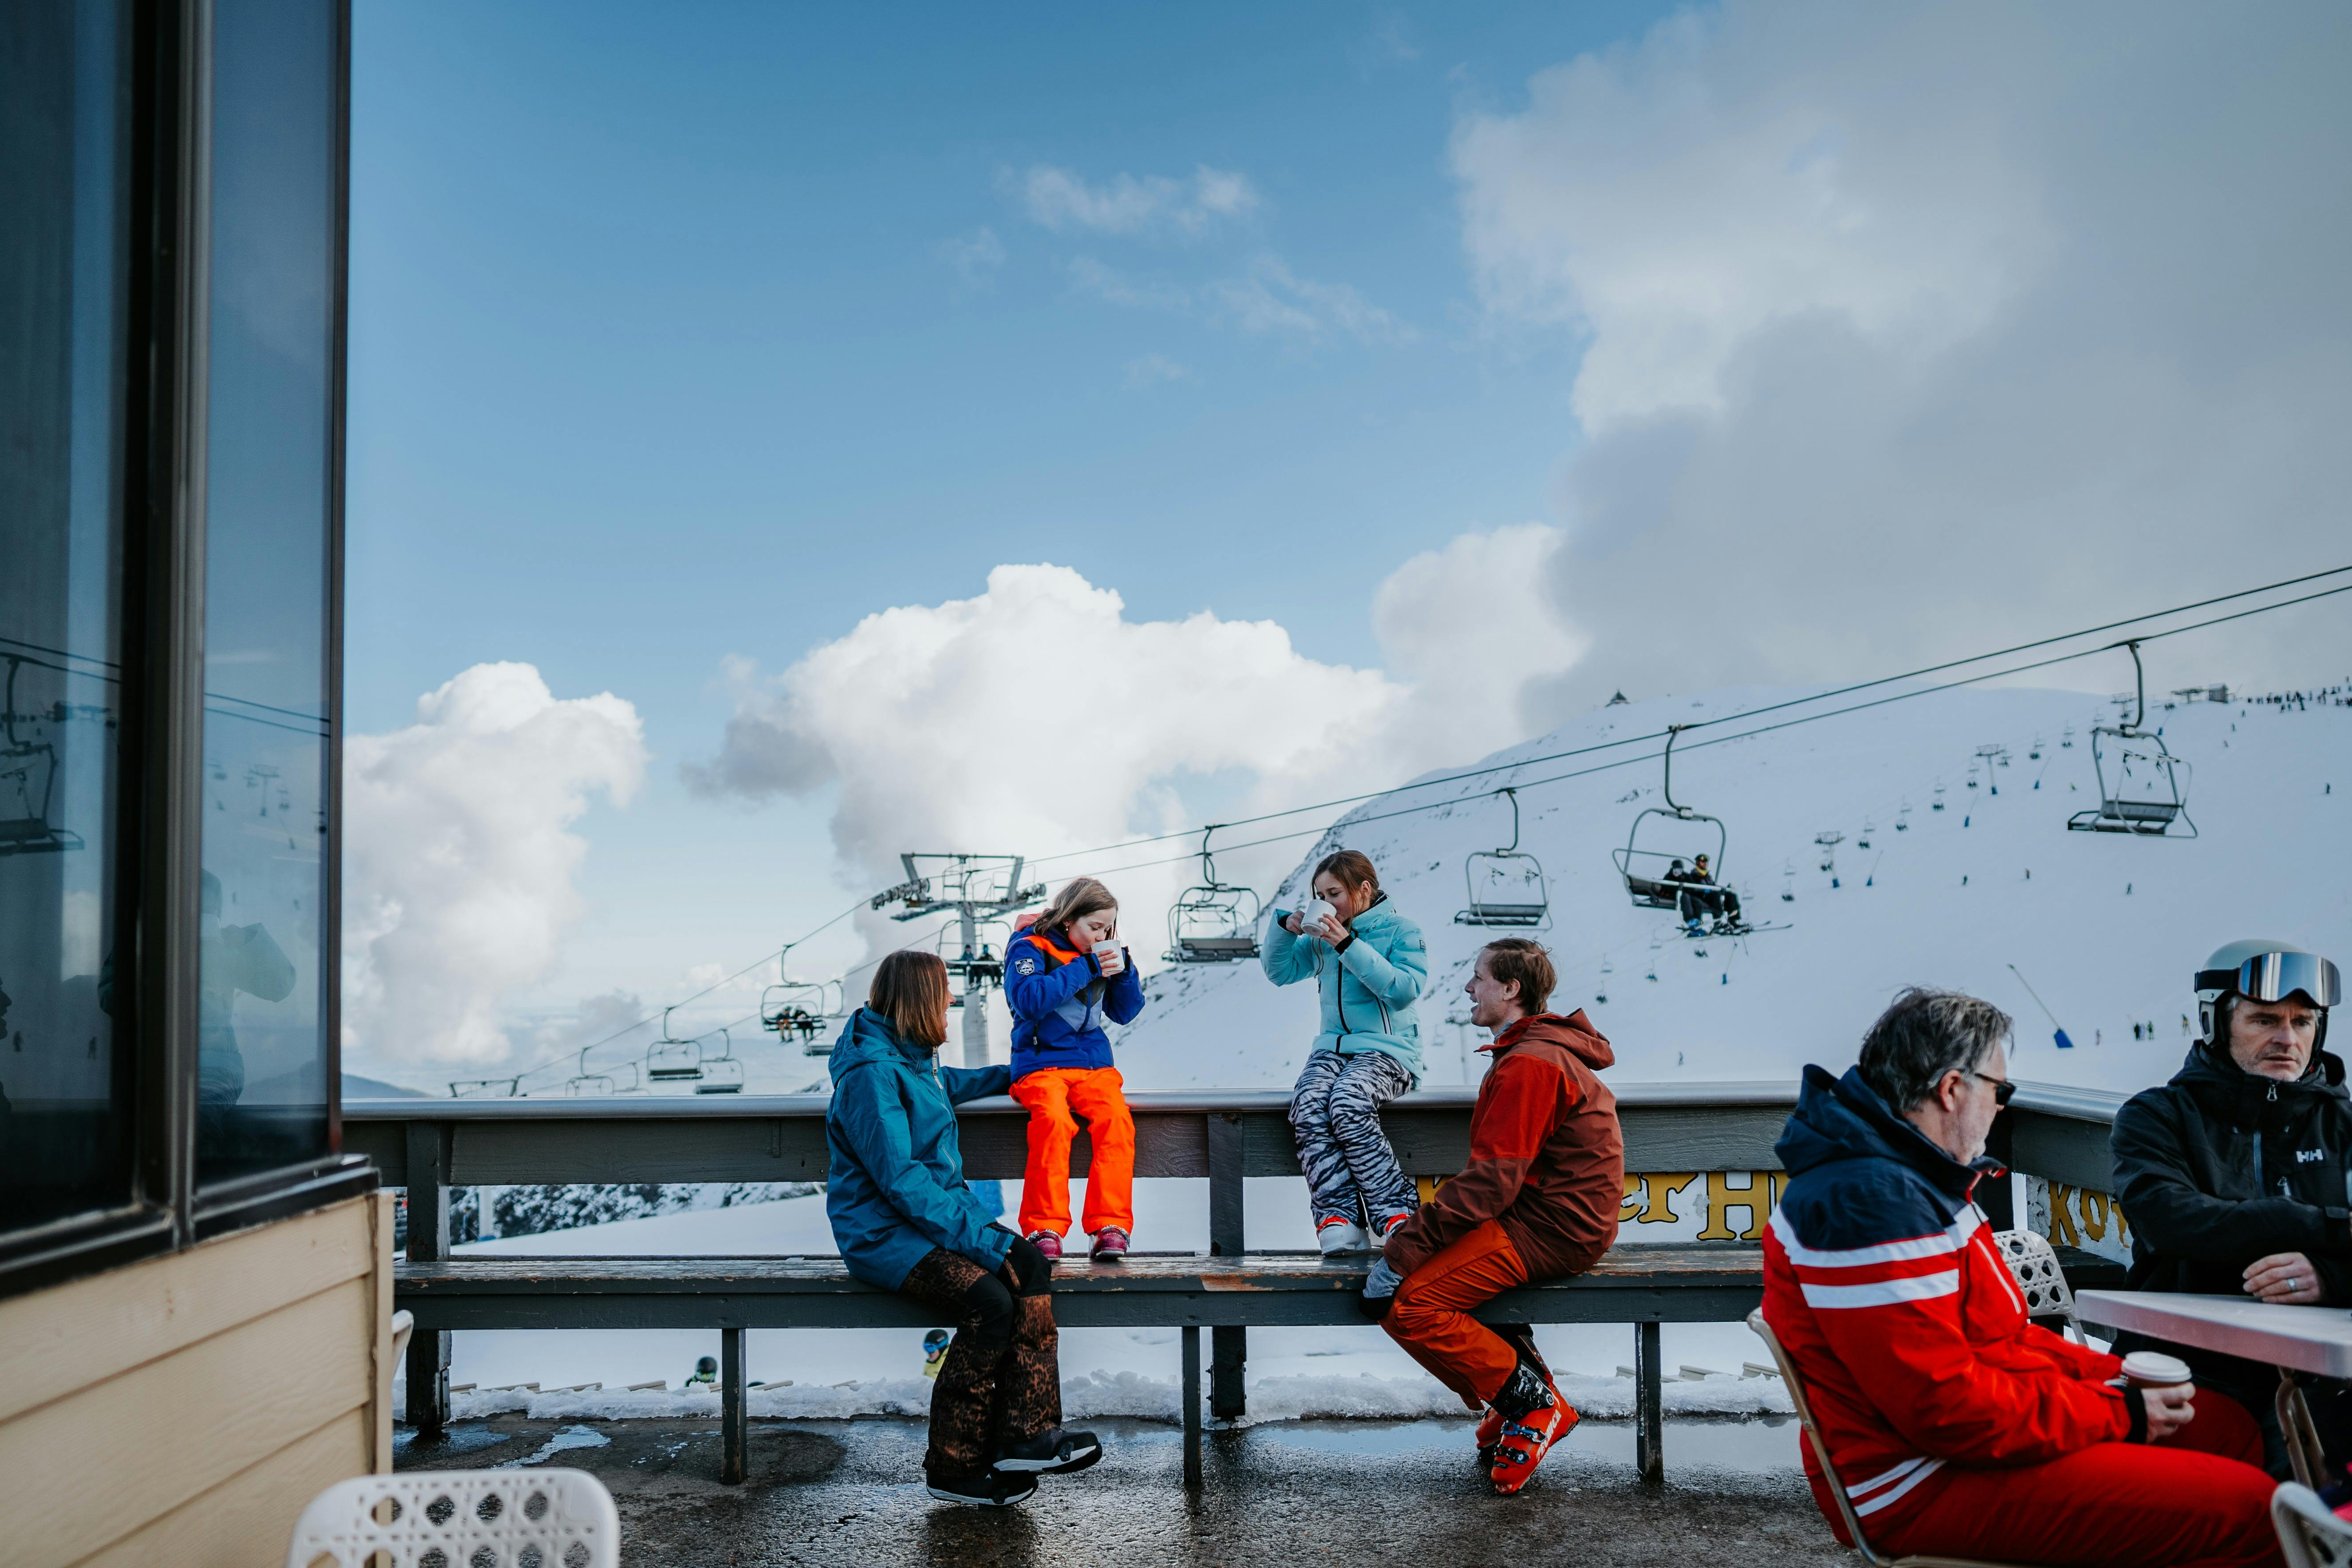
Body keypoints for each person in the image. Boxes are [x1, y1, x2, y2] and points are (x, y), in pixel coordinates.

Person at [1765, 987, 2280, 1566]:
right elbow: (1943, 1408)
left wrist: (2112, 1377)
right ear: (1952, 1089)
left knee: (2222, 1425)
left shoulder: (1911, 1177)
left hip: (1955, 1446)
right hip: (1918, 1482)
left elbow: (1996, 1340)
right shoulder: (1867, 1203)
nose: (2003, 1107)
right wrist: (2118, 1411)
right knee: (2253, 1510)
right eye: (1999, 1090)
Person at [826, 949, 1103, 1506]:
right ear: (920, 1001)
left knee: (1024, 1265)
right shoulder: (872, 1075)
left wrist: (1021, 1074)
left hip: (921, 1223)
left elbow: (943, 1085)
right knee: (991, 1302)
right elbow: (901, 1181)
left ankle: (1025, 1435)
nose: (951, 1003)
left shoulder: (905, 1059)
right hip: (883, 1236)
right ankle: (955, 1465)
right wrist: (983, 1238)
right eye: (944, 994)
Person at [1363, 937, 1621, 1496]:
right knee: (1421, 1289)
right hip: (1546, 1217)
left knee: (1410, 1303)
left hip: (1551, 1229)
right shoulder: (1531, 1051)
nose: (1467, 988)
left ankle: (1533, 1405)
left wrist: (1404, 1248)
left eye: (1478, 977)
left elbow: (1490, 1183)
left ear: (1510, 989)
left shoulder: (1530, 1062)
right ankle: (1522, 1389)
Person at [2112, 940, 2347, 1471]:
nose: (2287, 1038)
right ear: (2214, 1022)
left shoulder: (2342, 1127)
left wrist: (2330, 1274)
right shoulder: (2158, 1116)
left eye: (2303, 1021)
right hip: (2189, 1370)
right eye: (2264, 1019)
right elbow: (2173, 1221)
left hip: (2326, 1378)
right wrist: (2314, 1223)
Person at [1263, 849, 1428, 1254]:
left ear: (1364, 890)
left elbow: (1403, 991)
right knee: (1309, 1102)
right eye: (1320, 894)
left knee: (1348, 1101)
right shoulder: (1321, 941)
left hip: (1389, 1051)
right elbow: (1279, 972)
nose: (1327, 902)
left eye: (1334, 893)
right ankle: (1338, 1216)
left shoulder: (1402, 931)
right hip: (1333, 1049)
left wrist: (1347, 943)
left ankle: (1394, 1210)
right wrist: (1286, 926)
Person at [1002, 877, 1145, 1261]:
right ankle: (1043, 1228)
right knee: (1053, 1120)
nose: (1101, 935)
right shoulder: (1028, 946)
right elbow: (1030, 1000)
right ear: (1069, 919)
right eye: (1094, 927)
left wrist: (1124, 969)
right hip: (1040, 1063)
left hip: (1093, 1065)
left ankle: (1110, 1226)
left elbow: (1125, 1011)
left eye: (1107, 928)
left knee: (1117, 1120)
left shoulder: (1098, 953)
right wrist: (1088, 966)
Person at [1675, 853, 1744, 935]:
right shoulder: (1693, 875)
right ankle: (1718, 923)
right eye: (1702, 862)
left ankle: (1734, 921)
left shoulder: (1708, 877)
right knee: (1716, 896)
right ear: (1698, 863)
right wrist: (1705, 890)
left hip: (1711, 895)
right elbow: (1692, 888)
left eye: (1706, 862)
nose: (1705, 864)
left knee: (1731, 896)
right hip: (1702, 896)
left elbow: (1714, 887)